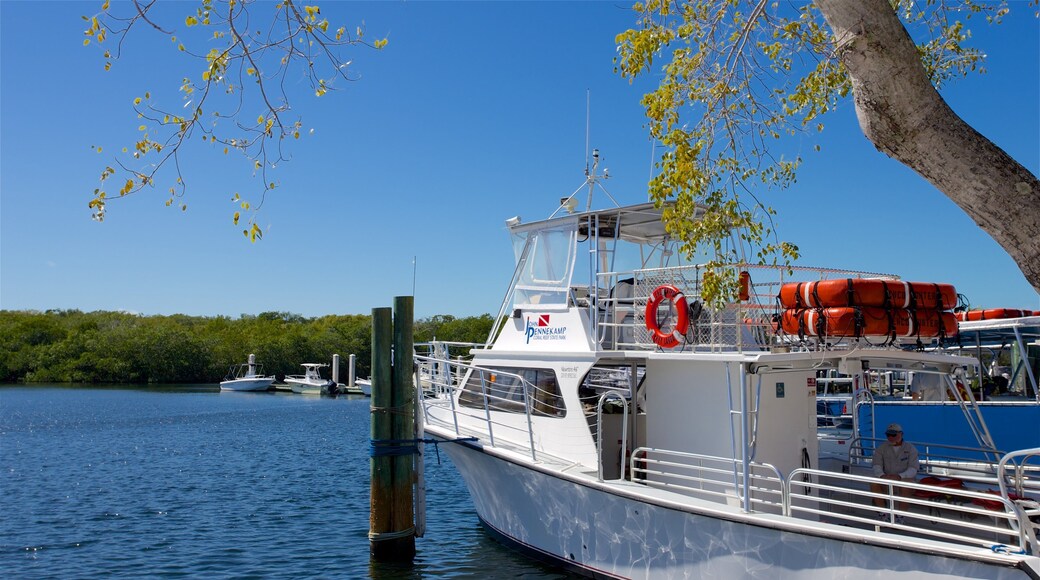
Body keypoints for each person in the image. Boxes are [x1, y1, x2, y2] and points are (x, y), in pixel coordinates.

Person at [869, 423, 919, 522]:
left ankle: (900, 516)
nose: (891, 437)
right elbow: (876, 465)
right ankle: (883, 513)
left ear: (901, 434)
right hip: (886, 478)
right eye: (888, 435)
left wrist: (900, 476)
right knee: (874, 483)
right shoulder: (881, 448)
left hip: (904, 479)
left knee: (906, 486)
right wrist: (882, 475)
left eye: (893, 435)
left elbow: (913, 469)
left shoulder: (911, 448)